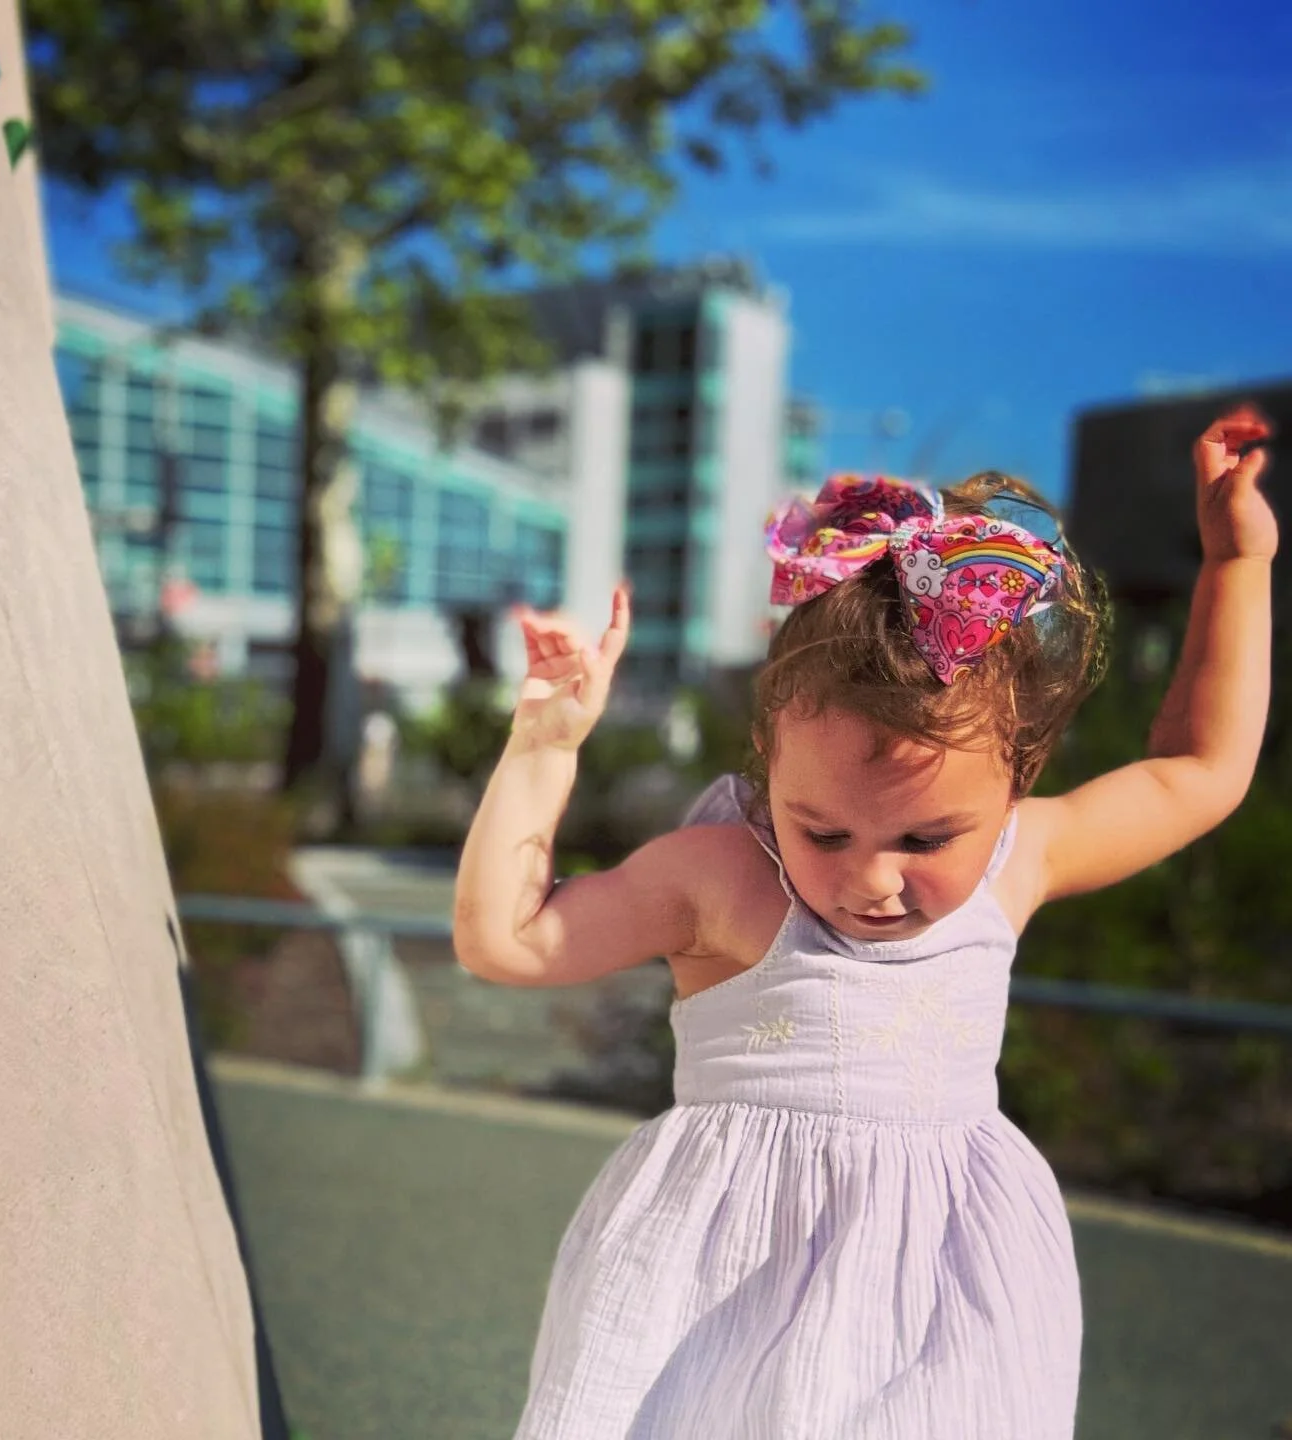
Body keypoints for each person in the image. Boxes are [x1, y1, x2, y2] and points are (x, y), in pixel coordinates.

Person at [452, 407, 1275, 1440]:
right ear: (767, 755)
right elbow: (506, 939)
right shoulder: (725, 878)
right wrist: (542, 748)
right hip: (714, 1296)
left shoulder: (1023, 861)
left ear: (1020, 778)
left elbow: (1199, 771)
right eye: (823, 830)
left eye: (926, 841)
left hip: (945, 1303)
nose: (871, 880)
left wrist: (1236, 566)